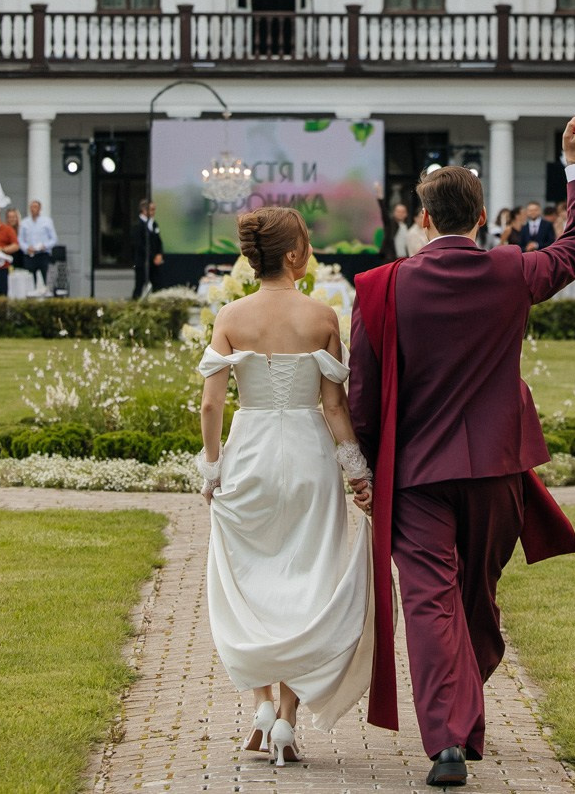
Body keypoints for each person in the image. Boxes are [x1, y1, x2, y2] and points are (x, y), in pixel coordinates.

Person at [348, 117, 575, 787]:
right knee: (474, 600)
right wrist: (574, 164)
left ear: (424, 219)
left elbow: (364, 396)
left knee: (436, 604)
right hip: (495, 471)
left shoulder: (381, 287)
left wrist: (364, 465)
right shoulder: (514, 270)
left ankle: (449, 733)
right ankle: (454, 733)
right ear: (483, 217)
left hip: (418, 475)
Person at [198, 206, 373, 767]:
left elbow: (210, 402)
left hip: (248, 452)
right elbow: (335, 406)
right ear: (296, 256)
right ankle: (289, 721)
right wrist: (357, 472)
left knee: (249, 579)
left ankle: (260, 707)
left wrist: (212, 465)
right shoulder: (323, 316)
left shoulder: (231, 316)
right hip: (307, 457)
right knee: (307, 580)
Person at [19, 199, 57, 289]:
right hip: (30, 255)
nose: (33, 209)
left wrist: (45, 246)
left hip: (43, 254)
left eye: (35, 207)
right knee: (30, 281)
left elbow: (54, 239)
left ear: (40, 209)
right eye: (31, 207)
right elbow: (20, 239)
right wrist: (26, 248)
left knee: (47, 280)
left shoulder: (47, 221)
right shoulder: (24, 223)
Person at [132, 199, 163, 299]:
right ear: (144, 210)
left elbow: (159, 241)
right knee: (139, 286)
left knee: (156, 285)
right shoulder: (137, 225)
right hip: (142, 261)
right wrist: (152, 256)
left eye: (154, 210)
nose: (153, 212)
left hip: (154, 262)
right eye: (151, 210)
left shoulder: (154, 224)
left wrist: (159, 254)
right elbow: (140, 245)